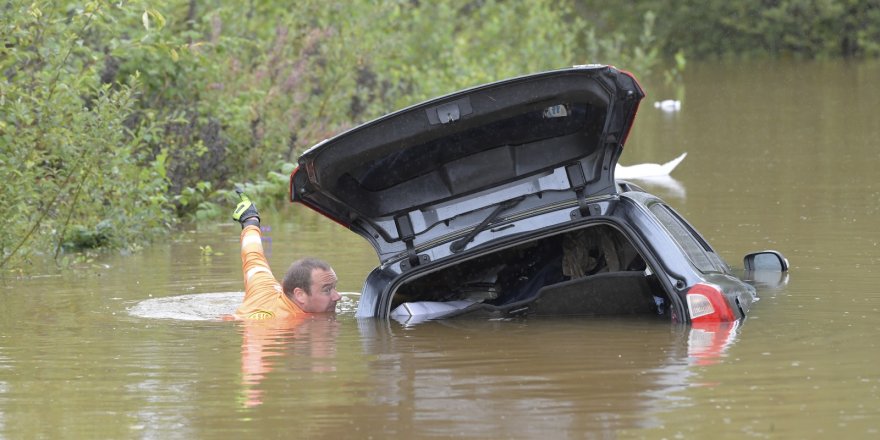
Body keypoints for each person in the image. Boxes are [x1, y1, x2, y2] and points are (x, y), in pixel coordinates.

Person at [230, 191, 341, 320]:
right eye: (327, 290)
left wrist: (250, 220)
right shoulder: (279, 322)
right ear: (300, 295)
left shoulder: (264, 288)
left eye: (334, 287)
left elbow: (253, 254)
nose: (337, 296)